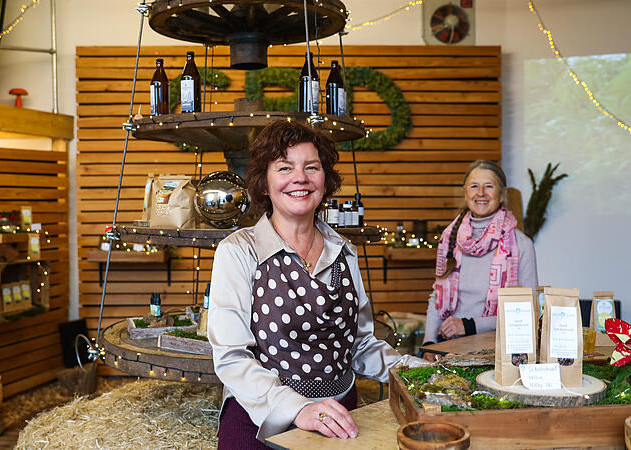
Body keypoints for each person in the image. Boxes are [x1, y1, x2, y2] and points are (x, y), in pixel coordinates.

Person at [208, 120, 425, 448]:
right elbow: (232, 357)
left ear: (325, 181)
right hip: (260, 424)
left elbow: (361, 345)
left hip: (339, 420)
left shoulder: (344, 252)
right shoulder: (239, 252)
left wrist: (419, 371)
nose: (300, 177)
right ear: (264, 184)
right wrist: (300, 408)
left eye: (312, 167)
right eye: (284, 167)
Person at [422, 160, 538, 356]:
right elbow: (437, 298)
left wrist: (469, 326)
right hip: (447, 347)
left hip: (495, 351)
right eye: (474, 186)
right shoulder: (449, 238)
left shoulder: (521, 245)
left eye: (489, 186)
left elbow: (526, 309)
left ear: (502, 194)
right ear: (466, 192)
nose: (481, 193)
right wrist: (429, 344)